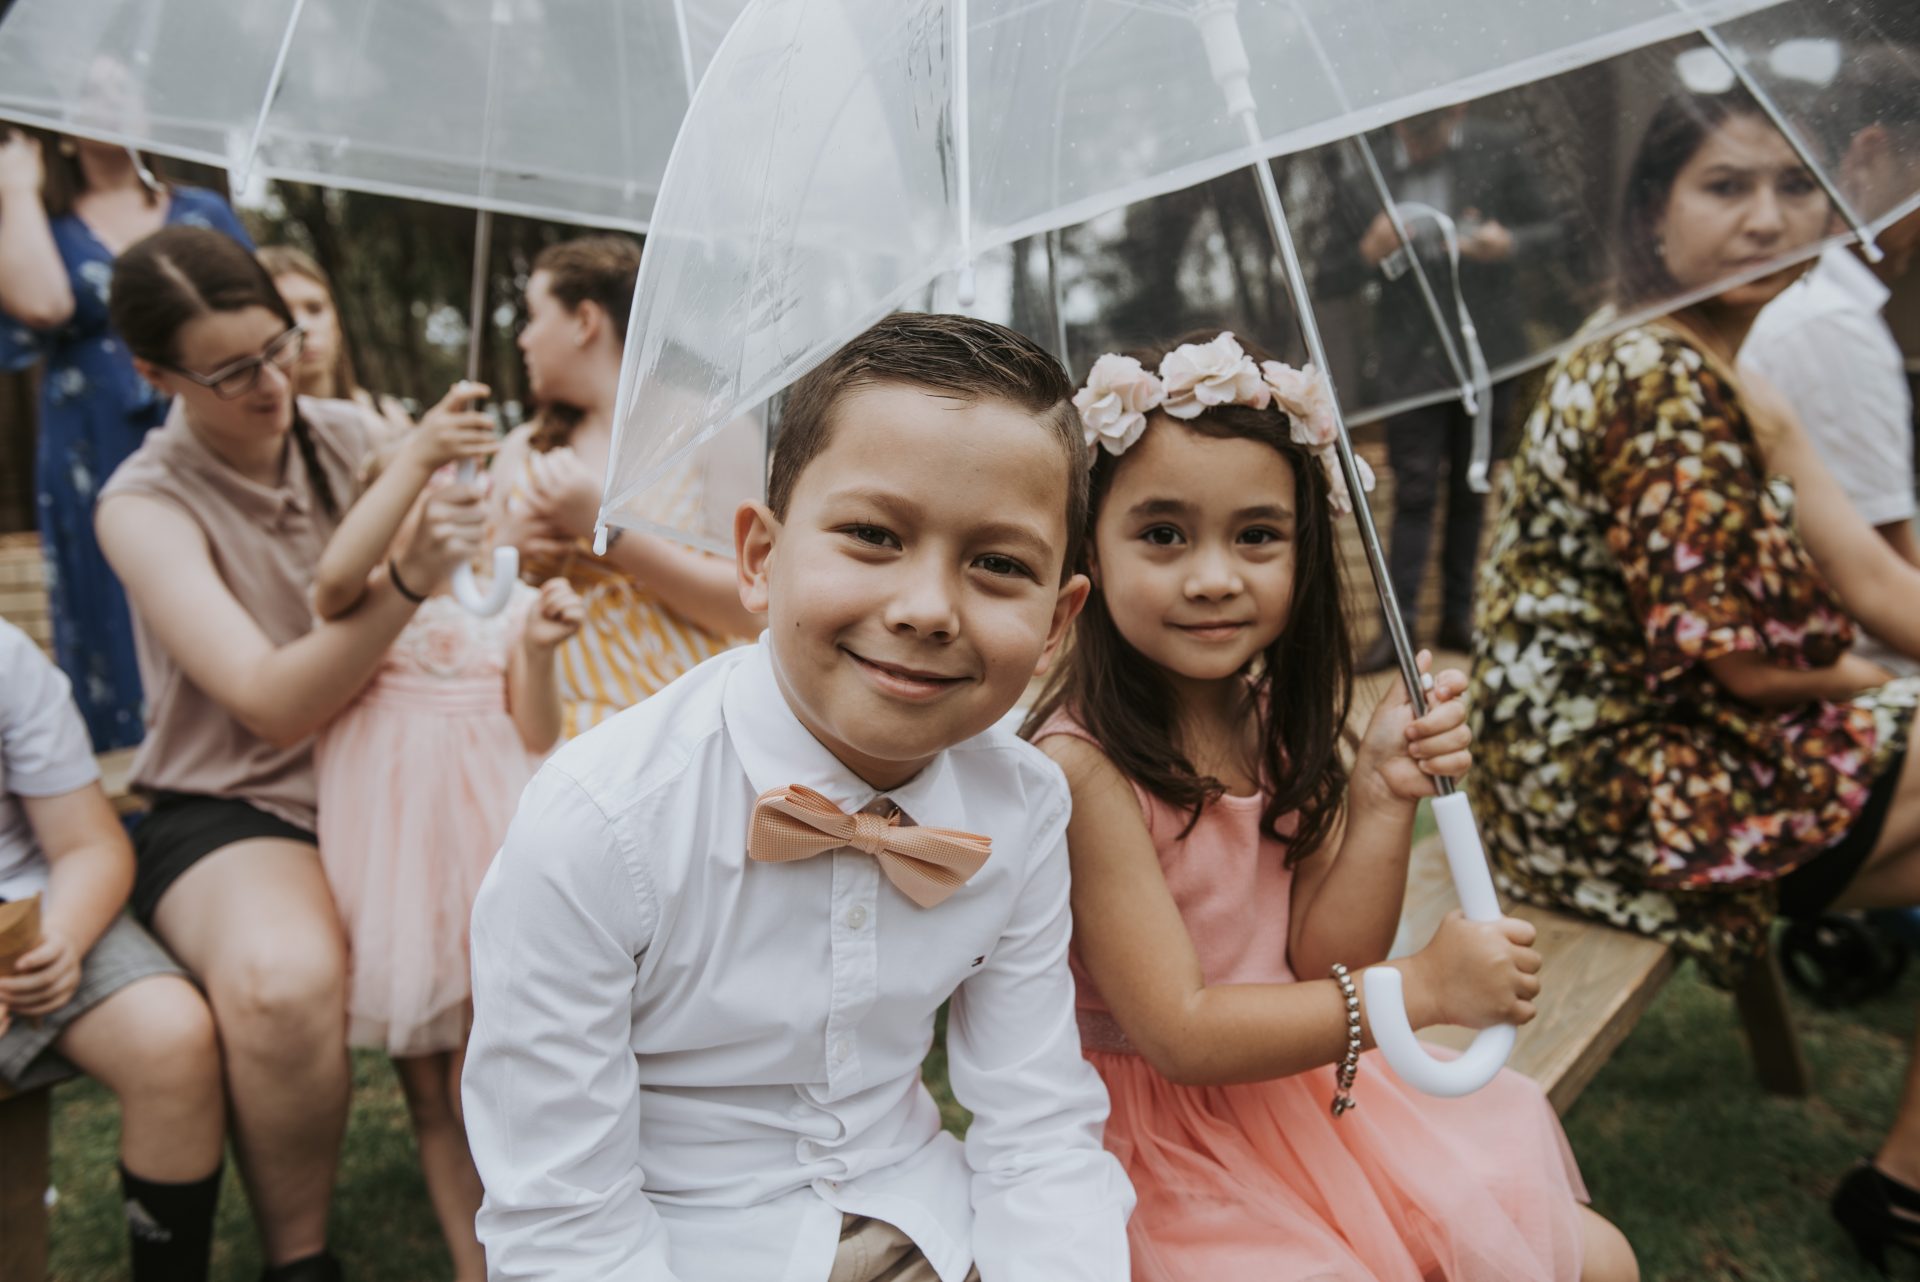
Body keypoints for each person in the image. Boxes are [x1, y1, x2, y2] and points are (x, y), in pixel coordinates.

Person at [463, 312, 1134, 1279]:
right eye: (872, 535)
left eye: (999, 565)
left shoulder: (1023, 803)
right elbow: (565, 1224)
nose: (927, 609)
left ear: (1059, 621)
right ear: (759, 559)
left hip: (926, 1221)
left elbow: (1038, 1128)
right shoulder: (600, 824)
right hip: (684, 1248)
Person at [1026, 331, 1635, 1281]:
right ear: (1090, 551)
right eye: (1163, 534)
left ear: (1304, 549)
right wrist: (1421, 991)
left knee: (1596, 1260)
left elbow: (1323, 959)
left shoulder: (1269, 716)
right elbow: (1181, 1034)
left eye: (1256, 535)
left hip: (1305, 1088)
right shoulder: (1082, 770)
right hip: (1158, 1138)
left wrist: (1383, 794)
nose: (1215, 576)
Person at [1469, 88, 1920, 1270]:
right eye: (1726, 187)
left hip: (1618, 762)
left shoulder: (1686, 354)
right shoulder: (1651, 379)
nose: (1769, 217)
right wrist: (1874, 684)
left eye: (1795, 186)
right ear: (1651, 217)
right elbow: (1758, 664)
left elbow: (1876, 578)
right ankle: (1906, 1182)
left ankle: (1906, 1182)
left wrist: (1782, 437)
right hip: (1610, 793)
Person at [94, 225, 489, 1282]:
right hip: (245, 801)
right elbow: (271, 706)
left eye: (278, 346)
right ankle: (299, 1261)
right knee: (283, 979)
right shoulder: (141, 503)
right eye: (231, 372)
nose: (273, 382)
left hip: (400, 777)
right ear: (155, 376)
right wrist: (406, 580)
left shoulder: (354, 433)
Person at [309, 408, 583, 1282]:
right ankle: (473, 1265)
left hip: (485, 848)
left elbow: (536, 729)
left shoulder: (508, 602)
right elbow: (332, 581)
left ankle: (532, 1243)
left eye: (472, 497)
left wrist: (538, 649)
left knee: (491, 1071)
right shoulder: (366, 603)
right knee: (429, 1089)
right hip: (394, 860)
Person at [0, 127, 252, 750]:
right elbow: (44, 305)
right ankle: (141, 762)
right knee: (111, 592)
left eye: (125, 85)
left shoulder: (201, 210)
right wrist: (16, 188)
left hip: (205, 419)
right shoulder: (40, 220)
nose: (112, 97)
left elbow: (255, 314)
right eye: (92, 88)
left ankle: (243, 727)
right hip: (92, 444)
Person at [0, 618, 225, 1280]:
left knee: (170, 1037)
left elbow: (89, 843)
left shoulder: (7, 657)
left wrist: (63, 940)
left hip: (27, 899)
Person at [1318, 106, 1560, 671]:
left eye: (1437, 124)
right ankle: (1396, 631)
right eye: (1413, 126)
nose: (1425, 138)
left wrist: (1507, 243)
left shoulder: (1499, 147)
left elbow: (1554, 233)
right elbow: (1327, 276)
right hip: (1410, 361)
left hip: (1489, 352)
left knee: (1473, 484)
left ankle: (1458, 616)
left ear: (1457, 110)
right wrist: (1367, 251)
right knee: (1415, 487)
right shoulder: (1363, 174)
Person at [490, 234, 758, 738]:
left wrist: (609, 530)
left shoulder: (713, 432)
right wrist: (509, 547)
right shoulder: (521, 450)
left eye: (534, 316)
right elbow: (476, 600)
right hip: (555, 735)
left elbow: (750, 608)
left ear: (584, 321)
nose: (523, 340)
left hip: (681, 730)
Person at [1739, 48, 1920, 673]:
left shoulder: (1816, 310)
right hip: (1850, 670)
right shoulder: (1826, 322)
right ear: (1869, 155)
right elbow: (1885, 573)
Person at [258, 244, 414, 435]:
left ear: (336, 321)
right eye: (284, 314)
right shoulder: (261, 438)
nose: (303, 327)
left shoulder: (387, 414)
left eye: (315, 308)